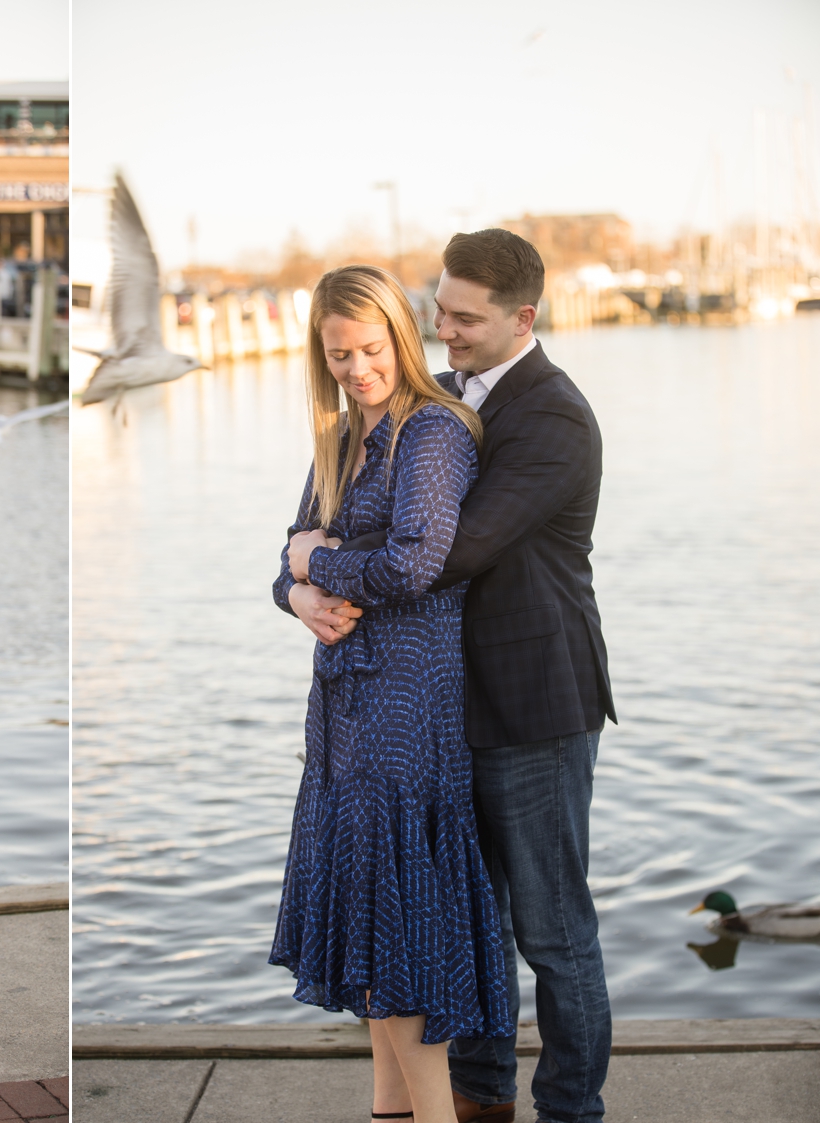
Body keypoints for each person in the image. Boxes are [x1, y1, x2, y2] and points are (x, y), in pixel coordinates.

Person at [306, 230, 615, 1123]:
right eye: (439, 307)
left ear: (525, 318)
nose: (444, 327)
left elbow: (447, 553)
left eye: (465, 317)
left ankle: (569, 1108)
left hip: (534, 703)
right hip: (444, 708)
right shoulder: (441, 402)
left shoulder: (552, 415)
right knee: (461, 916)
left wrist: (315, 561)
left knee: (553, 931)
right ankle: (482, 1095)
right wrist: (295, 581)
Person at [270, 264, 513, 1123]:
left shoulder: (434, 432)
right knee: (374, 936)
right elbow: (284, 562)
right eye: (338, 354)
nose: (357, 368)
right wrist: (298, 590)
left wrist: (318, 564)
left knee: (401, 931)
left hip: (408, 706)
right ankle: (391, 1115)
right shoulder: (338, 438)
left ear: (401, 339)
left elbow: (416, 563)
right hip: (341, 710)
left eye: (371, 348)